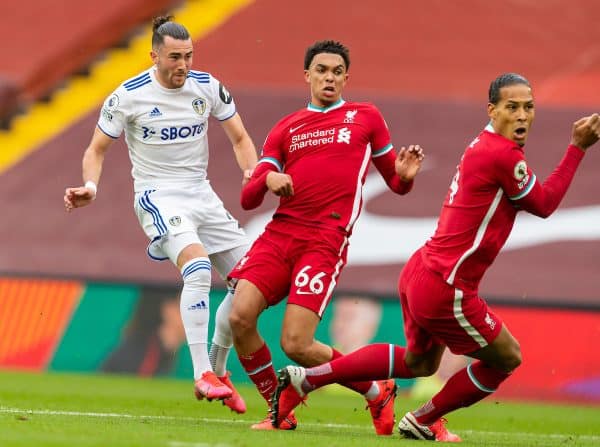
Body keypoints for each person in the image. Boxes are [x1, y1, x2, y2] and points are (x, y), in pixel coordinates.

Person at [271, 73, 600, 442]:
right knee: (507, 357)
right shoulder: (503, 155)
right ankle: (424, 418)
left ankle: (309, 378)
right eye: (512, 107)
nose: (522, 115)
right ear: (493, 110)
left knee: (420, 363)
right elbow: (544, 204)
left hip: (422, 271)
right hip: (448, 285)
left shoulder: (486, 144)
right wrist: (577, 148)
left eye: (528, 107)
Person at [227, 40, 424, 432]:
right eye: (321, 70)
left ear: (346, 77)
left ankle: (374, 390)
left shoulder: (365, 117)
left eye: (337, 71)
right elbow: (248, 199)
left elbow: (396, 185)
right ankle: (279, 412)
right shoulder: (286, 127)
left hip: (324, 238)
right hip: (279, 235)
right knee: (239, 318)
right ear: (307, 75)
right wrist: (268, 176)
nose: (329, 77)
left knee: (296, 344)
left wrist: (404, 176)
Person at [64, 16, 258, 414]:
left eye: (188, 56)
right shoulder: (128, 95)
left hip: (202, 196)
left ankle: (219, 371)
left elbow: (240, 137)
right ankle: (201, 373)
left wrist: (252, 170)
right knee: (199, 269)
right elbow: (96, 149)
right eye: (174, 57)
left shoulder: (207, 87)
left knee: (253, 284)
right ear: (154, 55)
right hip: (158, 197)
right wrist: (91, 187)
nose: (182, 65)